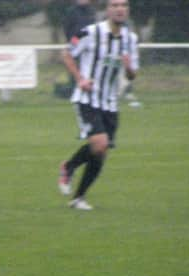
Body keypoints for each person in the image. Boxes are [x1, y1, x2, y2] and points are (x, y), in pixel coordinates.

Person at [58, 0, 139, 210]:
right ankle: (69, 167)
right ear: (107, 10)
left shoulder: (131, 39)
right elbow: (67, 54)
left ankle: (78, 198)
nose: (120, 9)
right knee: (100, 143)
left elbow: (132, 74)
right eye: (115, 5)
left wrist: (129, 69)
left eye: (124, 5)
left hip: (110, 103)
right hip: (88, 99)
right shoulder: (89, 32)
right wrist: (80, 79)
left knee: (100, 152)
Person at [60, 0, 96, 98]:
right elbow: (67, 27)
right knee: (74, 67)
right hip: (76, 42)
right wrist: (72, 41)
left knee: (89, 69)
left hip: (89, 45)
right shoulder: (71, 11)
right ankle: (74, 89)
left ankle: (89, 88)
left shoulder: (91, 11)